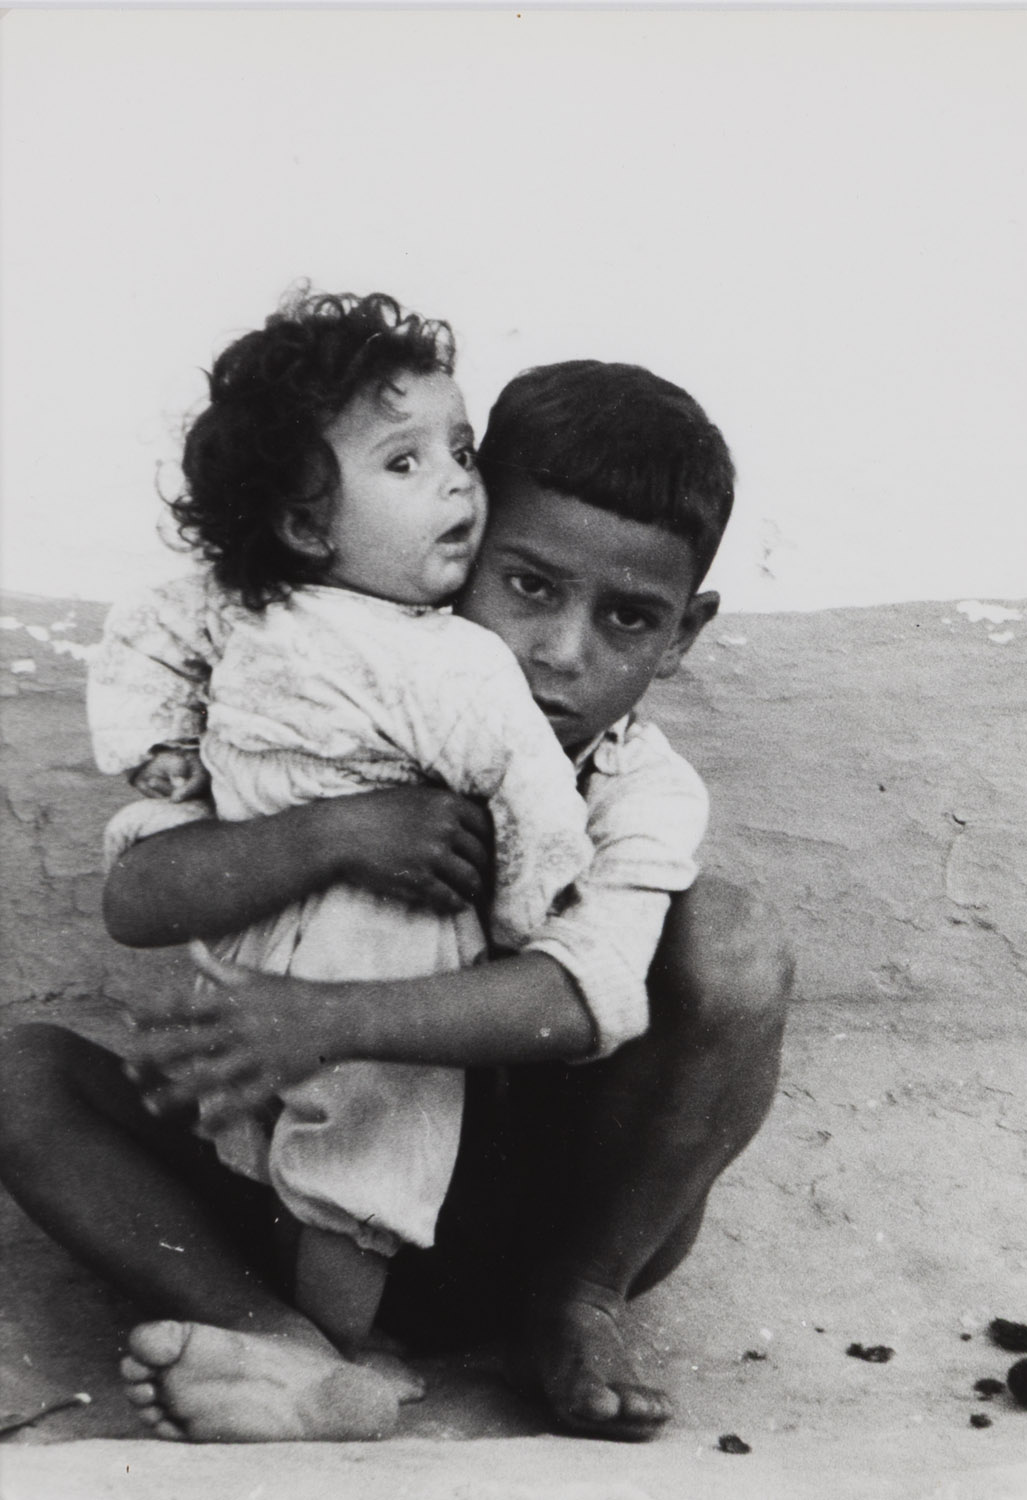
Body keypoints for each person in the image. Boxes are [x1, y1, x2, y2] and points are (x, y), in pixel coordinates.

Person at [0, 352, 794, 1446]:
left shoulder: (637, 787)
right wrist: (332, 835)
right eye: (528, 587)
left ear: (683, 634)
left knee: (736, 941)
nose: (561, 655)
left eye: (628, 619)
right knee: (20, 1073)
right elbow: (138, 898)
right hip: (284, 1197)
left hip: (527, 1227)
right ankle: (288, 1351)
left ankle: (579, 1306)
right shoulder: (315, 691)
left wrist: (322, 1020)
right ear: (458, 540)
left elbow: (590, 994)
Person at [84, 286, 595, 1368]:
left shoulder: (457, 658)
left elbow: (531, 793)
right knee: (233, 1128)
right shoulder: (242, 610)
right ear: (305, 524)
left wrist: (517, 916)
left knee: (359, 1148)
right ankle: (290, 1351)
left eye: (462, 451)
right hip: (250, 962)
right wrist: (162, 749)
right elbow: (146, 638)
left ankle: (327, 1352)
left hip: (383, 957)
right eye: (405, 462)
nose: (457, 482)